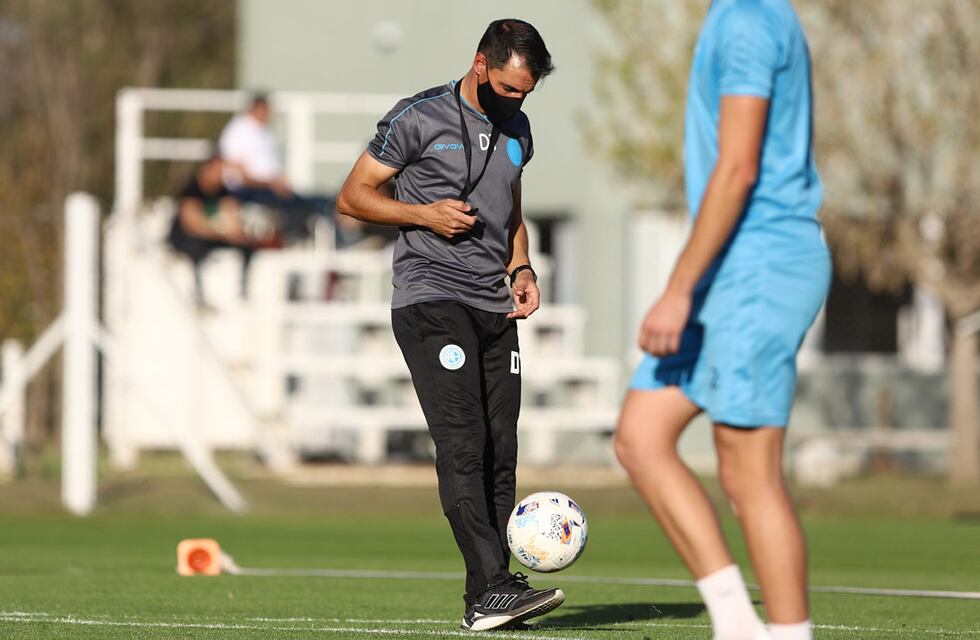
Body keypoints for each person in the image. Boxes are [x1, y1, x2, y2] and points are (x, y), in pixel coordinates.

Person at [336, 19, 562, 632]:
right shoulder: (418, 117)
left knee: (500, 449)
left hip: (494, 303)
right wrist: (422, 214)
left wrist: (522, 265)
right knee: (463, 444)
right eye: (509, 89)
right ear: (480, 63)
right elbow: (352, 197)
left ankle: (486, 601)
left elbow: (510, 209)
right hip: (431, 299)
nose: (516, 102)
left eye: (527, 93)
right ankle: (495, 584)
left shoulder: (519, 129)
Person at [614, 2, 831, 640]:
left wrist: (678, 288)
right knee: (641, 436)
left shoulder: (746, 21)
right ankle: (737, 625)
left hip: (758, 263)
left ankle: (790, 635)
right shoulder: (737, 15)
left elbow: (738, 170)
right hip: (729, 266)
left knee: (747, 470)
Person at [219, 93, 336, 239]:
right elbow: (238, 175)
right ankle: (295, 239)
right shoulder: (238, 131)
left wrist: (278, 183)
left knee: (317, 201)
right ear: (258, 108)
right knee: (297, 207)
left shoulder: (263, 131)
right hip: (249, 190)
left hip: (268, 187)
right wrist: (271, 184)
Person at [167, 155, 256, 309]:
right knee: (196, 249)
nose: (219, 174)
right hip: (186, 239)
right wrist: (221, 231)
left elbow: (233, 216)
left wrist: (235, 232)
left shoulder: (224, 192)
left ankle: (243, 292)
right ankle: (198, 296)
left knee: (247, 247)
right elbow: (193, 223)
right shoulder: (192, 190)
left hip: (213, 236)